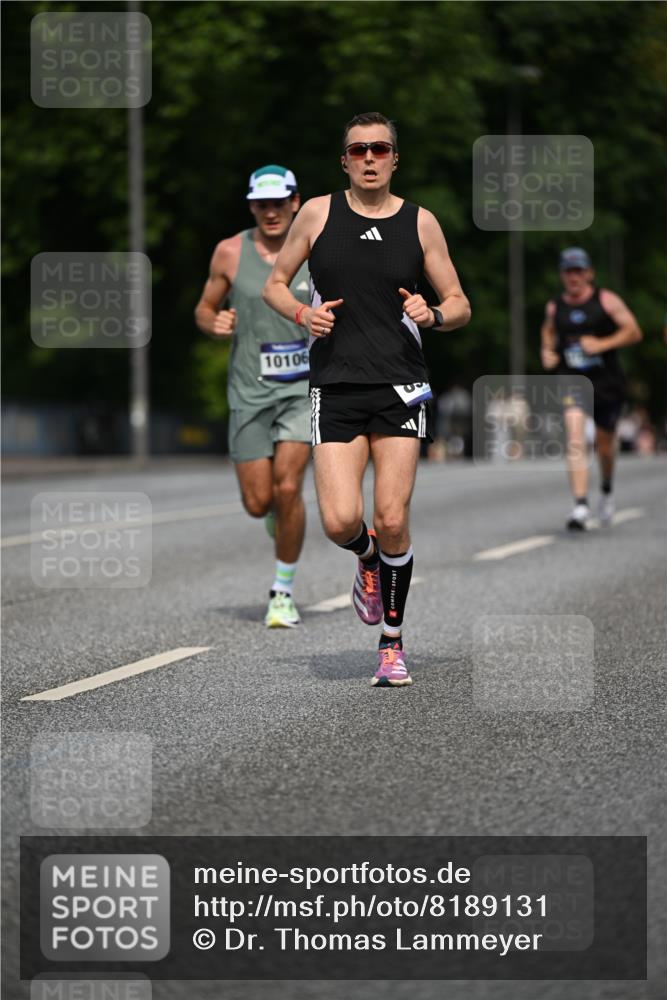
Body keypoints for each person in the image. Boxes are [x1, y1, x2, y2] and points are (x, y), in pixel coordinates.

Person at [263, 112, 470, 686]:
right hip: (335, 386)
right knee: (340, 520)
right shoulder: (317, 214)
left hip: (402, 386)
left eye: (380, 148)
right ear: (345, 160)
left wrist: (435, 313)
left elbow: (459, 302)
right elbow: (274, 284)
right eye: (359, 150)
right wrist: (305, 314)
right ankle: (366, 558)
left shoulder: (420, 223)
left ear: (395, 158)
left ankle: (392, 645)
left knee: (393, 516)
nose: (370, 158)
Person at [195, 165, 311, 627]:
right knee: (258, 502)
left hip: (303, 391)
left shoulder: (314, 250)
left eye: (279, 202)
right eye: (262, 204)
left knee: (289, 487)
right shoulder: (228, 252)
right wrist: (213, 322)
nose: (271, 212)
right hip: (249, 393)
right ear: (251, 206)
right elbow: (204, 308)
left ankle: (281, 591)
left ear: (294, 202)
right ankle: (275, 517)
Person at [540, 247, 642, 529]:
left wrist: (602, 344)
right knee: (575, 436)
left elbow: (634, 331)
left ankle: (606, 489)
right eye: (568, 271)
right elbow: (548, 332)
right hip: (573, 380)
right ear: (562, 275)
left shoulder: (606, 300)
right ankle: (580, 506)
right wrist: (546, 352)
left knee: (605, 447)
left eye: (579, 271)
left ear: (589, 273)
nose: (574, 277)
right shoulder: (555, 307)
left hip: (607, 383)